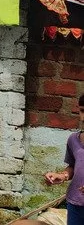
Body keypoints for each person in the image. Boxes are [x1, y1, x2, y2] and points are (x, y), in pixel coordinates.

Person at [43, 93, 84, 225]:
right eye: (83, 111)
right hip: (75, 203)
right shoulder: (73, 140)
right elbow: (73, 166)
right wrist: (63, 175)